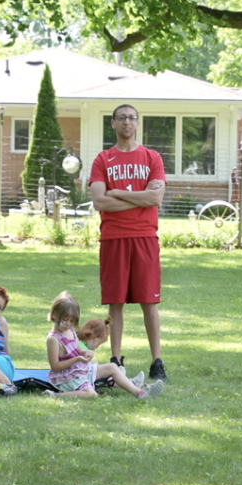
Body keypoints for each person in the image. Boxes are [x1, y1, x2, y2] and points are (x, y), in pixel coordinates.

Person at [89, 104, 168, 382]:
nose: (127, 122)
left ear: (138, 123)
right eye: (121, 117)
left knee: (149, 301)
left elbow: (155, 198)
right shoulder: (103, 159)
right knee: (116, 302)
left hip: (145, 236)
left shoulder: (151, 157)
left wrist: (119, 192)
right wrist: (139, 196)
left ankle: (157, 361)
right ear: (113, 123)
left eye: (131, 118)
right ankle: (115, 360)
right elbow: (99, 201)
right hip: (113, 238)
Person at [44, 292, 162, 400]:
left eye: (72, 321)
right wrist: (77, 359)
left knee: (112, 367)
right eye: (65, 320)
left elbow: (78, 349)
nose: (68, 324)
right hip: (67, 377)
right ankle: (54, 395)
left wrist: (84, 353)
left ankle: (140, 392)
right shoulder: (53, 339)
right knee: (92, 394)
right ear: (54, 314)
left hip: (80, 370)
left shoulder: (70, 331)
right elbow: (55, 366)